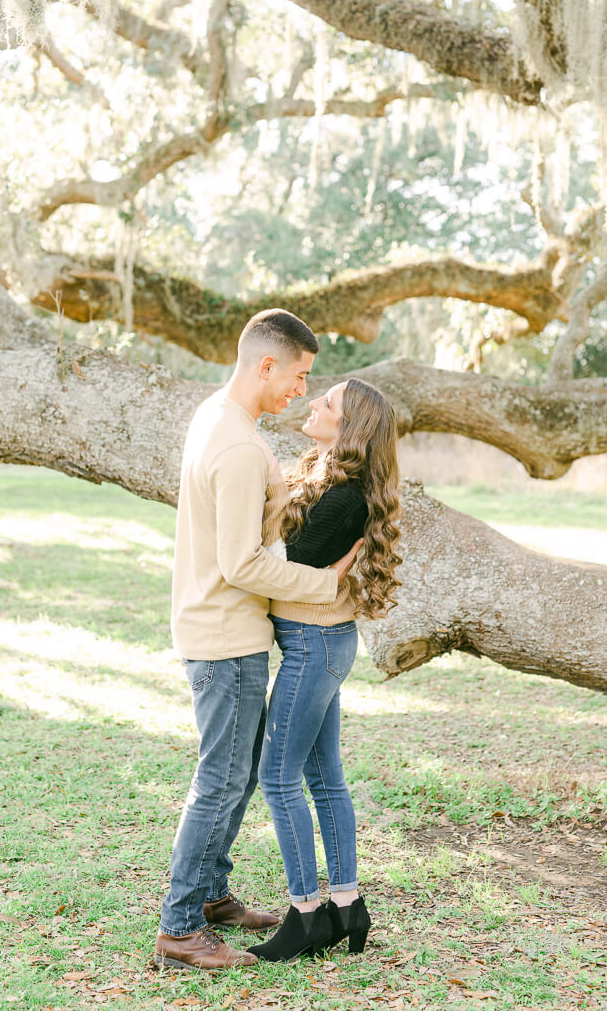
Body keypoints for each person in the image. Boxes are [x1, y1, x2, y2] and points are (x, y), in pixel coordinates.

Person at [153, 310, 361, 972]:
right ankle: (182, 927)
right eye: (299, 375)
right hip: (226, 632)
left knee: (238, 775)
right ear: (266, 365)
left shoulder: (219, 418)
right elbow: (244, 563)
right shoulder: (239, 444)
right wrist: (327, 585)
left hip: (215, 624)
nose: (302, 389)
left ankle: (211, 896)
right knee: (220, 782)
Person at [247, 377, 402, 963]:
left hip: (313, 643)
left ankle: (307, 914)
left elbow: (282, 562)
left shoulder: (346, 497)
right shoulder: (335, 479)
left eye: (328, 402)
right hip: (323, 640)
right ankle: (348, 905)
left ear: (351, 426)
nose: (315, 403)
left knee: (278, 777)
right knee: (324, 779)